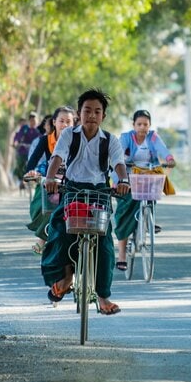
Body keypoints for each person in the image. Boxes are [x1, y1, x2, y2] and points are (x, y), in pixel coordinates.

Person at [40, 89, 130, 315]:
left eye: (97, 111)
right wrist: (51, 178)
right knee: (60, 231)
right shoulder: (70, 134)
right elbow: (57, 157)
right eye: (87, 110)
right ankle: (65, 277)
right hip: (71, 189)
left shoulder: (111, 140)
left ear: (103, 116)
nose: (92, 115)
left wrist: (124, 181)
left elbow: (119, 164)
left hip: (99, 191)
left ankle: (103, 297)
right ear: (79, 113)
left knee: (105, 243)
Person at [114, 109, 176, 271]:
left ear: (150, 125)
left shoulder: (153, 137)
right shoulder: (126, 137)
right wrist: (119, 175)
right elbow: (118, 155)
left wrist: (169, 159)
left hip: (147, 175)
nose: (142, 127)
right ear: (133, 125)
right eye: (139, 124)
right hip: (127, 177)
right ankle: (121, 254)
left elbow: (163, 150)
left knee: (152, 190)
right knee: (124, 213)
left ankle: (149, 218)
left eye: (145, 124)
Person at [25, 106, 76, 254]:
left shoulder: (78, 141)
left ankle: (43, 240)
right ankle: (44, 236)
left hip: (71, 182)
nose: (65, 125)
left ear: (74, 124)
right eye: (61, 121)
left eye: (68, 121)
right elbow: (33, 162)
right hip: (51, 181)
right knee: (42, 206)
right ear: (54, 122)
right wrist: (32, 172)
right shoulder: (45, 140)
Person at [13, 112, 42, 191]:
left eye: (35, 120)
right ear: (29, 121)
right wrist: (16, 142)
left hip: (34, 151)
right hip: (23, 151)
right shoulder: (25, 128)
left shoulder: (39, 130)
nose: (33, 122)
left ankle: (34, 180)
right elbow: (18, 136)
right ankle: (21, 181)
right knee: (20, 164)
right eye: (32, 120)